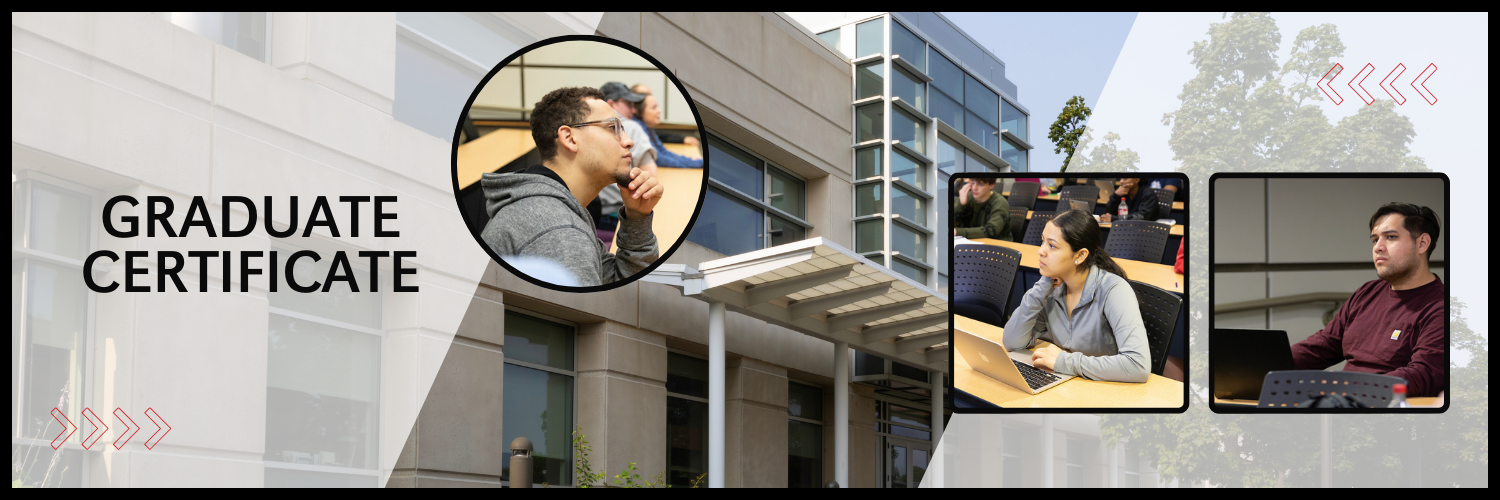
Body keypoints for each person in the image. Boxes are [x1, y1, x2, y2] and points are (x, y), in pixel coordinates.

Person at [479, 86, 664, 286]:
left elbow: (614, 285)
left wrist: (637, 218)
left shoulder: (552, 211)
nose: (629, 142)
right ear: (570, 138)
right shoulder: (559, 231)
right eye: (613, 128)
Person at [1290, 202, 1445, 397]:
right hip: (1342, 404)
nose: (1378, 247)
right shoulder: (1367, 292)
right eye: (1374, 240)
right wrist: (1267, 364)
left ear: (1422, 243)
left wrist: (1347, 389)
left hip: (1382, 412)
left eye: (1390, 237)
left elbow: (1424, 374)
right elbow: (1323, 345)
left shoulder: (1440, 307)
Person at [1003, 209, 1151, 383]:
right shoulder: (1053, 288)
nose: (1041, 251)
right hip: (1070, 384)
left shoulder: (1114, 290)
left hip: (1108, 391)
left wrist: (1064, 362)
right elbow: (1012, 342)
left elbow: (1138, 365)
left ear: (1080, 255)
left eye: (1052, 246)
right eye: (1042, 241)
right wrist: (1040, 289)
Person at [594, 82, 661, 248]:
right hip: (616, 218)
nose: (633, 110)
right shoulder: (632, 127)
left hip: (589, 215)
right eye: (629, 104)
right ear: (611, 104)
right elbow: (650, 179)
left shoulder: (590, 128)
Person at [628, 83, 703, 168]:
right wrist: (696, 163)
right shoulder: (636, 127)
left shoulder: (647, 126)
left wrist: (690, 160)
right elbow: (659, 159)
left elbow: (663, 152)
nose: (659, 111)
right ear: (635, 107)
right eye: (653, 107)